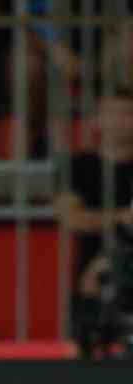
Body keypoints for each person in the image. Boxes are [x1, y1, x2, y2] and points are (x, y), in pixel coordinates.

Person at [55, 88, 133, 356]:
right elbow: (71, 219)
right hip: (88, 276)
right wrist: (122, 217)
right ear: (97, 120)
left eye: (127, 113)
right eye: (113, 113)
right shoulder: (78, 165)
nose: (121, 120)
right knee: (84, 348)